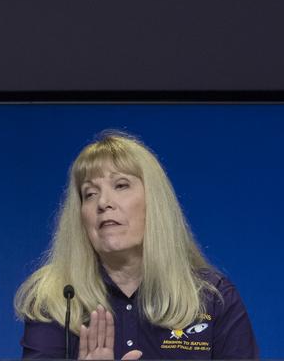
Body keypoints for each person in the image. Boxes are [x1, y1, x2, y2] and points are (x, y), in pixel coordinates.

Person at [15, 131, 257, 359]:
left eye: (120, 185)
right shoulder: (55, 298)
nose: (104, 202)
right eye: (90, 193)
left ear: (154, 202)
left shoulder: (213, 298)